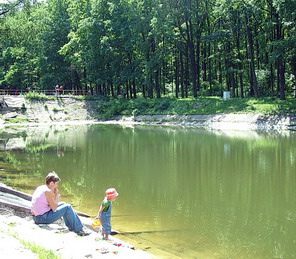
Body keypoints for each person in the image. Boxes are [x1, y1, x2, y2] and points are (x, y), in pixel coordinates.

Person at [31, 171, 90, 236]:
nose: (57, 186)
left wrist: (54, 195)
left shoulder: (41, 187)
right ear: (51, 183)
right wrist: (56, 197)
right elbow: (54, 208)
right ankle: (79, 230)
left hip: (37, 217)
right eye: (56, 184)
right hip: (42, 218)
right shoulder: (47, 191)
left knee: (64, 204)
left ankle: (72, 226)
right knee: (67, 207)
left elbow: (48, 204)